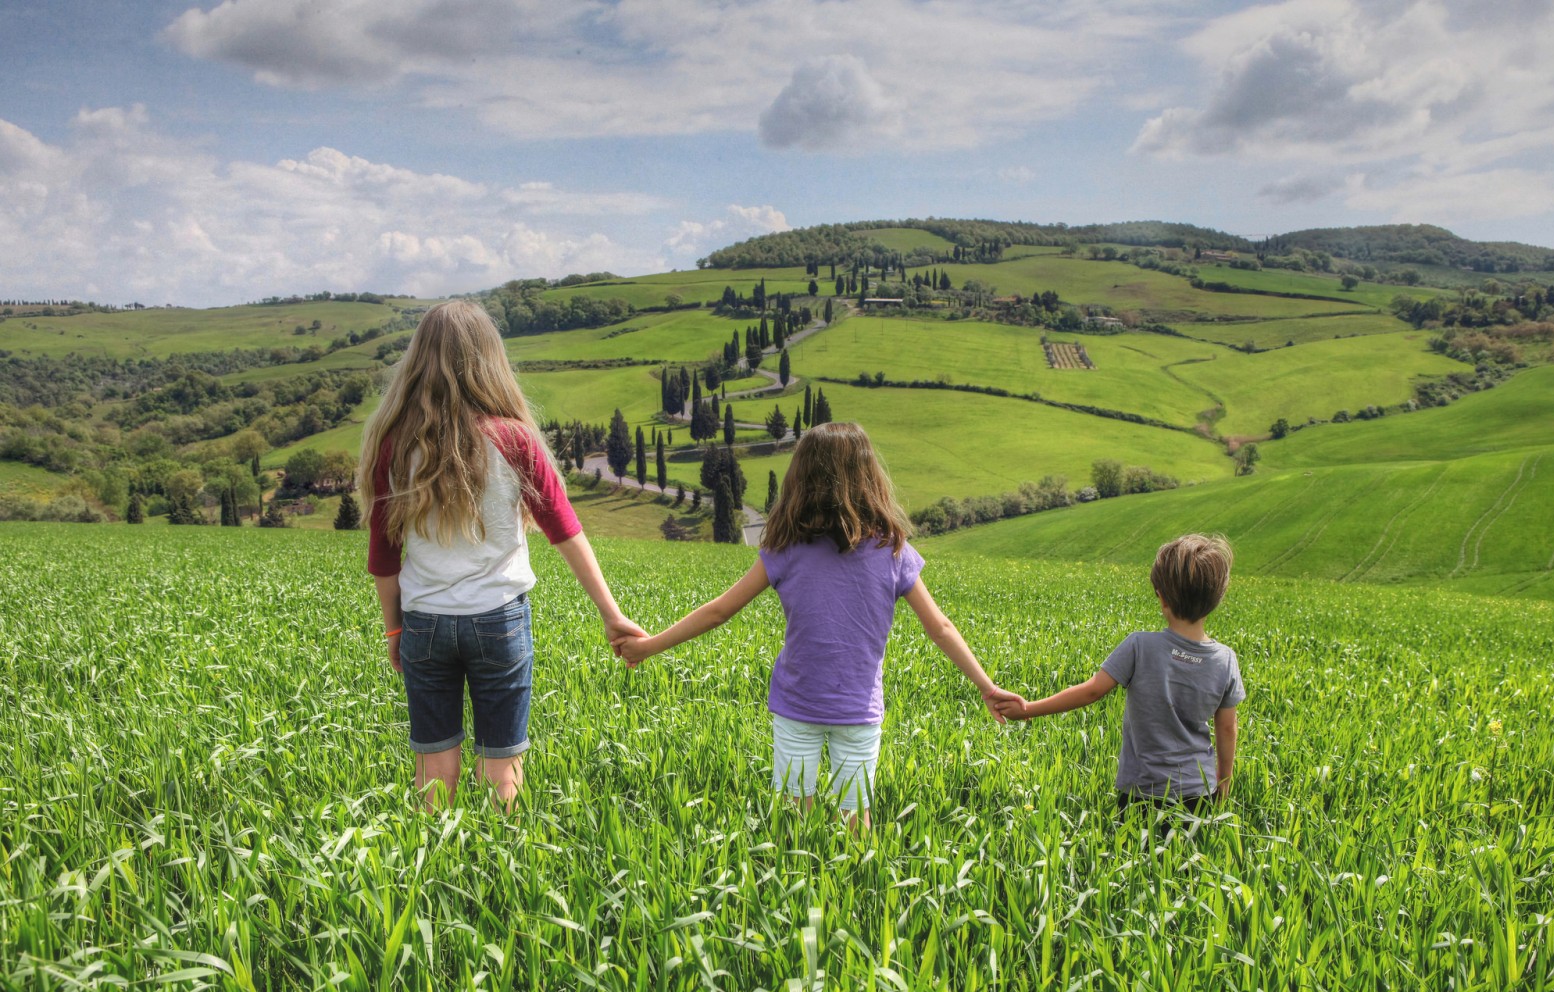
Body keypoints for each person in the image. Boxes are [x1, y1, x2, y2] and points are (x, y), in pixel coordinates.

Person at [614, 422, 1020, 829]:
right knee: (855, 823)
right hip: (858, 710)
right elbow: (941, 629)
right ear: (868, 478)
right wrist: (987, 686)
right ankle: (854, 893)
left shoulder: (785, 549)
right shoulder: (893, 551)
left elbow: (720, 611)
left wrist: (649, 646)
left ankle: (795, 886)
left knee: (794, 820)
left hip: (797, 705)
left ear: (801, 480)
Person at [356, 300, 643, 810]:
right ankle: (500, 870)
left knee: (433, 767)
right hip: (499, 620)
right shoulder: (514, 439)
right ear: (489, 359)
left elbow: (384, 555)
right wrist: (612, 614)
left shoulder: (395, 446)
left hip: (424, 622)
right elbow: (566, 532)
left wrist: (394, 629)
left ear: (417, 359)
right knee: (503, 768)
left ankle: (434, 873)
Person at [997, 533, 1242, 811]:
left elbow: (1091, 691)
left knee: (1136, 855)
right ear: (1216, 599)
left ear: (1161, 598)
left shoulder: (1140, 646)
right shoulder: (1226, 660)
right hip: (1200, 792)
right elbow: (1226, 728)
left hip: (1142, 792)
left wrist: (1028, 709)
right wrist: (1223, 781)